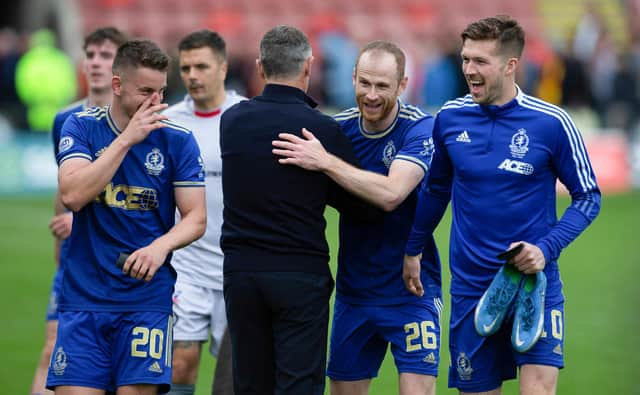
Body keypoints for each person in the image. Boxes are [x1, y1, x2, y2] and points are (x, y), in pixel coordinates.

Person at [403, 16, 601, 395]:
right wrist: (413, 248)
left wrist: (545, 248)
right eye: (466, 59)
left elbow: (588, 197)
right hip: (470, 289)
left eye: (480, 61)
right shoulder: (448, 119)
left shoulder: (551, 123)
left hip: (533, 287)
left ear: (511, 65)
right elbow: (435, 191)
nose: (469, 71)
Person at [271, 40, 443, 395]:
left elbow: (393, 194)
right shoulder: (338, 130)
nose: (372, 94)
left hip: (412, 292)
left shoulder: (419, 129)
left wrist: (327, 162)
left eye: (383, 85)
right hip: (355, 293)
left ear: (402, 84)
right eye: (364, 83)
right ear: (352, 78)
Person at [220, 25, 378, 395]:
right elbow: (364, 209)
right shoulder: (321, 130)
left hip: (242, 273)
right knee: (299, 385)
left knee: (249, 383)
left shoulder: (233, 122)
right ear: (309, 66)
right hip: (299, 275)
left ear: (260, 67)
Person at [46, 39, 207, 395]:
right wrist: (126, 141)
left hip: (146, 300)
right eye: (146, 91)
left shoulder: (177, 140)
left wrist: (161, 247)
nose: (155, 102)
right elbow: (73, 195)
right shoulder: (81, 127)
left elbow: (196, 217)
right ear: (117, 86)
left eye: (161, 92)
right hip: (84, 298)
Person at [30, 26, 127, 395]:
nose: (96, 63)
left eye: (107, 55)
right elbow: (64, 186)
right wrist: (60, 244)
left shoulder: (132, 123)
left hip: (116, 257)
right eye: (91, 54)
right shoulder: (65, 119)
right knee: (52, 348)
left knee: (118, 367)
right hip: (75, 259)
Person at [163, 29, 243, 395]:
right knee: (180, 362)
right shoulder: (168, 122)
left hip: (236, 267)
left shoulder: (245, 117)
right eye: (186, 67)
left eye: (201, 66)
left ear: (223, 68)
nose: (192, 75)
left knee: (233, 377)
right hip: (186, 267)